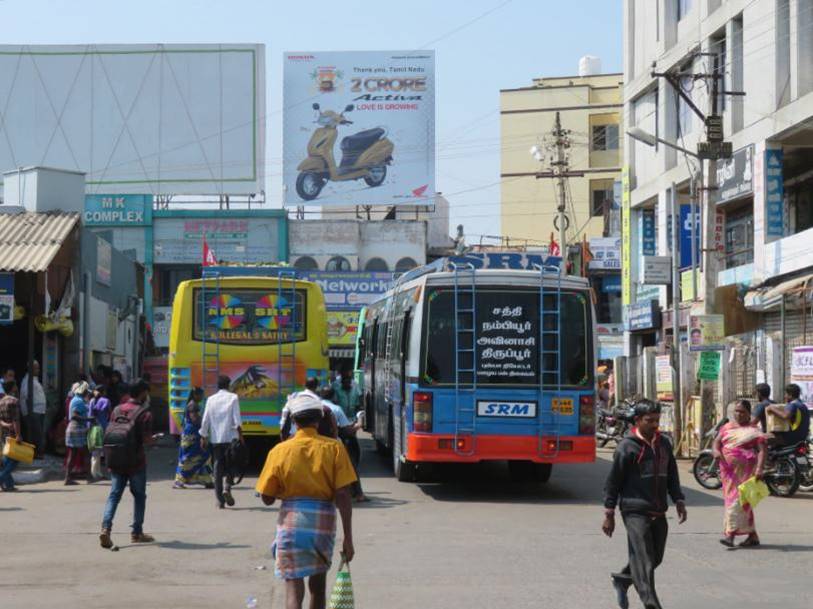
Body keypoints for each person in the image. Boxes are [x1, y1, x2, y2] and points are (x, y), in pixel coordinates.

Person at [256, 392, 356, 609]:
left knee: (293, 589)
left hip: (290, 524)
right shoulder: (334, 448)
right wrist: (348, 538)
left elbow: (266, 498)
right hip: (323, 525)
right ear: (318, 420)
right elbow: (343, 495)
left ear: (293, 421)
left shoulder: (279, 451)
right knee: (318, 589)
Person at [603, 399, 687, 609]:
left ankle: (623, 578)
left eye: (657, 420)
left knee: (655, 557)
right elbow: (613, 482)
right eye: (650, 420)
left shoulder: (664, 443)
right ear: (638, 420)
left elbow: (672, 475)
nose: (655, 424)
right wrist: (609, 512)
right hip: (634, 511)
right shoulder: (627, 447)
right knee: (644, 561)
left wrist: (678, 499)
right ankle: (652, 605)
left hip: (658, 510)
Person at [100, 380, 155, 548]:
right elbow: (146, 440)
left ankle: (105, 528)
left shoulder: (117, 409)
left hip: (116, 459)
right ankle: (136, 533)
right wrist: (153, 440)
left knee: (114, 495)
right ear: (143, 393)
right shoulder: (144, 413)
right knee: (139, 496)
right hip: (135, 461)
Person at [713, 399, 766, 548]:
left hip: (747, 471)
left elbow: (762, 450)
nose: (739, 414)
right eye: (736, 411)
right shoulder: (726, 427)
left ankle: (730, 535)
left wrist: (759, 468)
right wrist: (716, 451)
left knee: (735, 501)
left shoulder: (754, 430)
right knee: (743, 503)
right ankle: (752, 536)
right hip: (728, 472)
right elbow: (717, 442)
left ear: (749, 413)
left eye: (742, 411)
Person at [200, 375, 243, 509]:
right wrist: (241, 436)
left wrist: (203, 436)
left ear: (217, 386)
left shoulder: (211, 400)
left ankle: (219, 500)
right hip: (231, 437)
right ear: (228, 385)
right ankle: (227, 487)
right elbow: (237, 420)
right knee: (231, 464)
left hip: (216, 438)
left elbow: (205, 419)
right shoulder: (233, 398)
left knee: (218, 467)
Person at [323, 387, 367, 502]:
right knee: (351, 465)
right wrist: (359, 423)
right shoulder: (336, 409)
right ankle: (359, 494)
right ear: (334, 397)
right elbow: (347, 430)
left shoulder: (312, 407)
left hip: (312, 443)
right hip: (332, 444)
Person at [334, 374, 366, 501]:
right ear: (341, 383)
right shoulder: (336, 391)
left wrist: (359, 416)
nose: (347, 384)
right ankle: (356, 492)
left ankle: (354, 491)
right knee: (350, 461)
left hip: (351, 423)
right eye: (345, 382)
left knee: (353, 456)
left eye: (349, 381)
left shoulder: (354, 390)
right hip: (341, 426)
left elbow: (358, 405)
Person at [174, 387, 213, 489]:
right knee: (190, 456)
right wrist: (206, 422)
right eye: (200, 395)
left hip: (193, 432)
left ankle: (205, 479)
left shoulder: (193, 404)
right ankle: (180, 480)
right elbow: (195, 419)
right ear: (195, 395)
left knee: (202, 455)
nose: (202, 397)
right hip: (192, 435)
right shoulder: (193, 405)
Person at [64, 382, 94, 485]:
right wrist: (88, 419)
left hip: (74, 428)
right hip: (78, 428)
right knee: (86, 453)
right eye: (86, 391)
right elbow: (74, 415)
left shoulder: (76, 399)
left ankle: (68, 478)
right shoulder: (78, 401)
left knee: (73, 454)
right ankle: (89, 476)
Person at [766, 383, 811, 448]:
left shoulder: (792, 405)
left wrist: (771, 408)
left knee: (763, 440)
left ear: (790, 395)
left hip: (790, 438)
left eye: (786, 394)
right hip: (802, 438)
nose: (785, 396)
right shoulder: (803, 406)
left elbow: (785, 416)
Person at [20, 360, 47, 458]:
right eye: (36, 368)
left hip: (39, 411)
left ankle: (38, 453)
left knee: (39, 433)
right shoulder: (27, 380)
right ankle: (37, 453)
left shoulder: (34, 380)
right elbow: (26, 397)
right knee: (36, 434)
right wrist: (29, 413)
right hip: (33, 412)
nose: (38, 370)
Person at [0, 379, 23, 492]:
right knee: (15, 459)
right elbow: (16, 420)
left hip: (4, 435)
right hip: (13, 435)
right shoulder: (14, 401)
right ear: (12, 387)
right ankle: (1, 478)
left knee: (6, 460)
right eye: (15, 385)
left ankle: (8, 485)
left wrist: (5, 424)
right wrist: (18, 435)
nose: (16, 387)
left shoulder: (1, 401)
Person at [88, 385, 112, 480]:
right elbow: (109, 413)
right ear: (104, 392)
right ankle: (96, 473)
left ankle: (95, 472)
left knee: (95, 451)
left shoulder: (92, 401)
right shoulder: (105, 401)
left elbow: (90, 414)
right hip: (102, 427)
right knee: (100, 451)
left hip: (93, 427)